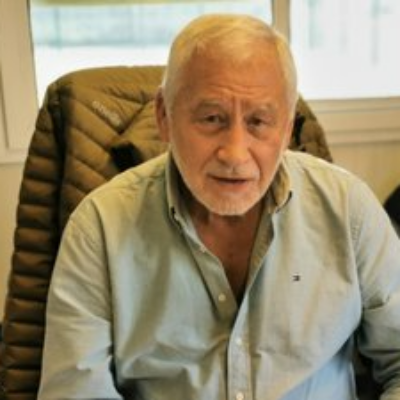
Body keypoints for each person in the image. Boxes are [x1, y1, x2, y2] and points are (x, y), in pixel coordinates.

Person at [38, 14, 400, 400]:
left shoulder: (348, 211)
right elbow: (74, 392)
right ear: (164, 116)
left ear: (287, 127)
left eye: (259, 121)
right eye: (212, 119)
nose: (235, 153)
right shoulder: (99, 227)